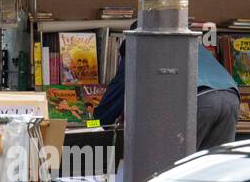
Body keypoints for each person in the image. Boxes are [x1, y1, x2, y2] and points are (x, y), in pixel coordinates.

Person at [91, 23, 241, 149]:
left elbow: (121, 89)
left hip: (198, 99)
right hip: (231, 97)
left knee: (175, 167)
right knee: (212, 167)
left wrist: (94, 123)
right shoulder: (189, 42)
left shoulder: (139, 45)